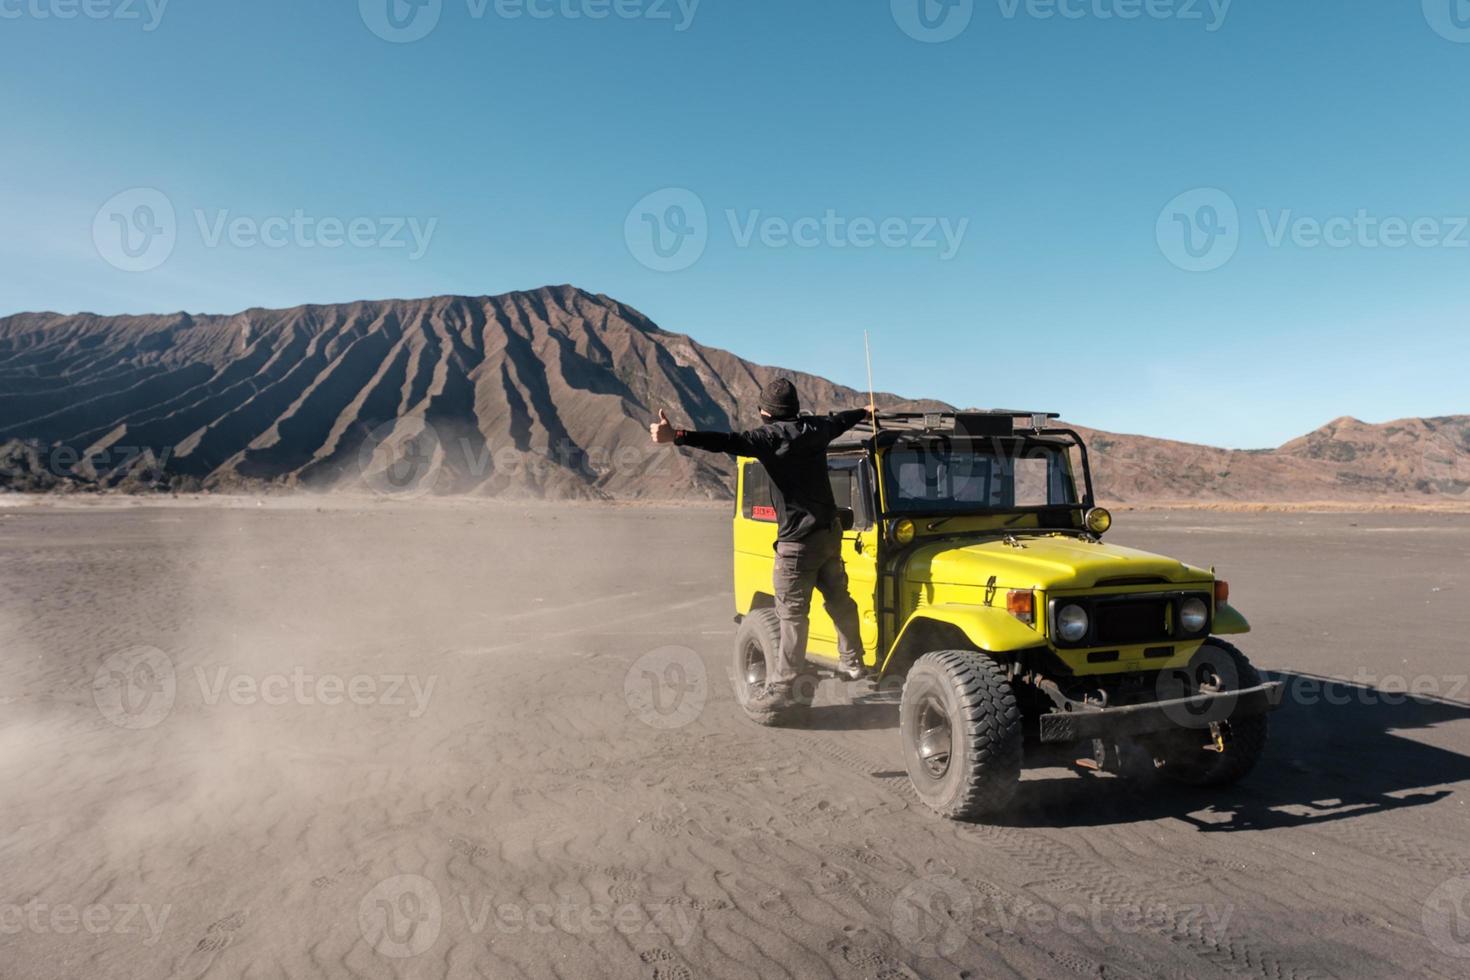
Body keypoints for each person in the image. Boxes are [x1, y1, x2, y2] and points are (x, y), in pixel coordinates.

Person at [650, 378, 871, 715]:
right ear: (796, 408)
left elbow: (724, 441)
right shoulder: (817, 428)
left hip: (796, 544)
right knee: (839, 598)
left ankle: (784, 686)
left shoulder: (766, 439)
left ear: (765, 412)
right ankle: (853, 661)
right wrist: (864, 411)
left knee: (793, 615)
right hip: (830, 536)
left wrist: (677, 436)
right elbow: (841, 419)